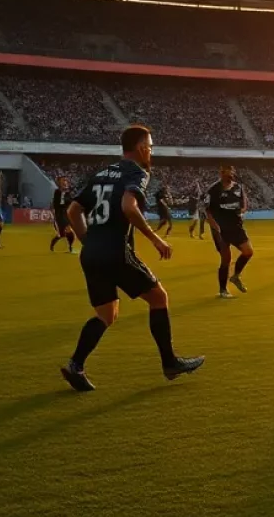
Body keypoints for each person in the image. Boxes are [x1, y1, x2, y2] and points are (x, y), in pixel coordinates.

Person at [60, 125, 203, 392]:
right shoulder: (136, 172)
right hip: (116, 250)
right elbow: (128, 206)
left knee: (106, 313)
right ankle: (170, 363)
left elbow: (74, 210)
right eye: (150, 146)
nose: (151, 151)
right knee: (159, 298)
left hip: (91, 254)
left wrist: (88, 242)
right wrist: (155, 238)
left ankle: (75, 365)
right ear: (140, 148)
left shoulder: (102, 173)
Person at [205, 165, 254, 298]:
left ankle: (236, 276)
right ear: (221, 173)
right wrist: (215, 226)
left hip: (236, 226)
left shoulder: (238, 187)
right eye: (227, 172)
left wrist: (242, 211)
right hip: (221, 228)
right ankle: (223, 290)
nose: (231, 173)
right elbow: (207, 211)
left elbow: (244, 202)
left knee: (248, 252)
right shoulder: (213, 190)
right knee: (226, 259)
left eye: (232, 171)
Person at [50, 175, 76, 253]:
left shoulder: (69, 192)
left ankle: (70, 247)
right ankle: (53, 244)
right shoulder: (57, 192)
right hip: (59, 213)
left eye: (65, 181)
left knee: (68, 231)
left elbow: (71, 202)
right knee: (62, 234)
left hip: (66, 212)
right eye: (63, 181)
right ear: (59, 183)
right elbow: (55, 203)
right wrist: (53, 211)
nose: (64, 182)